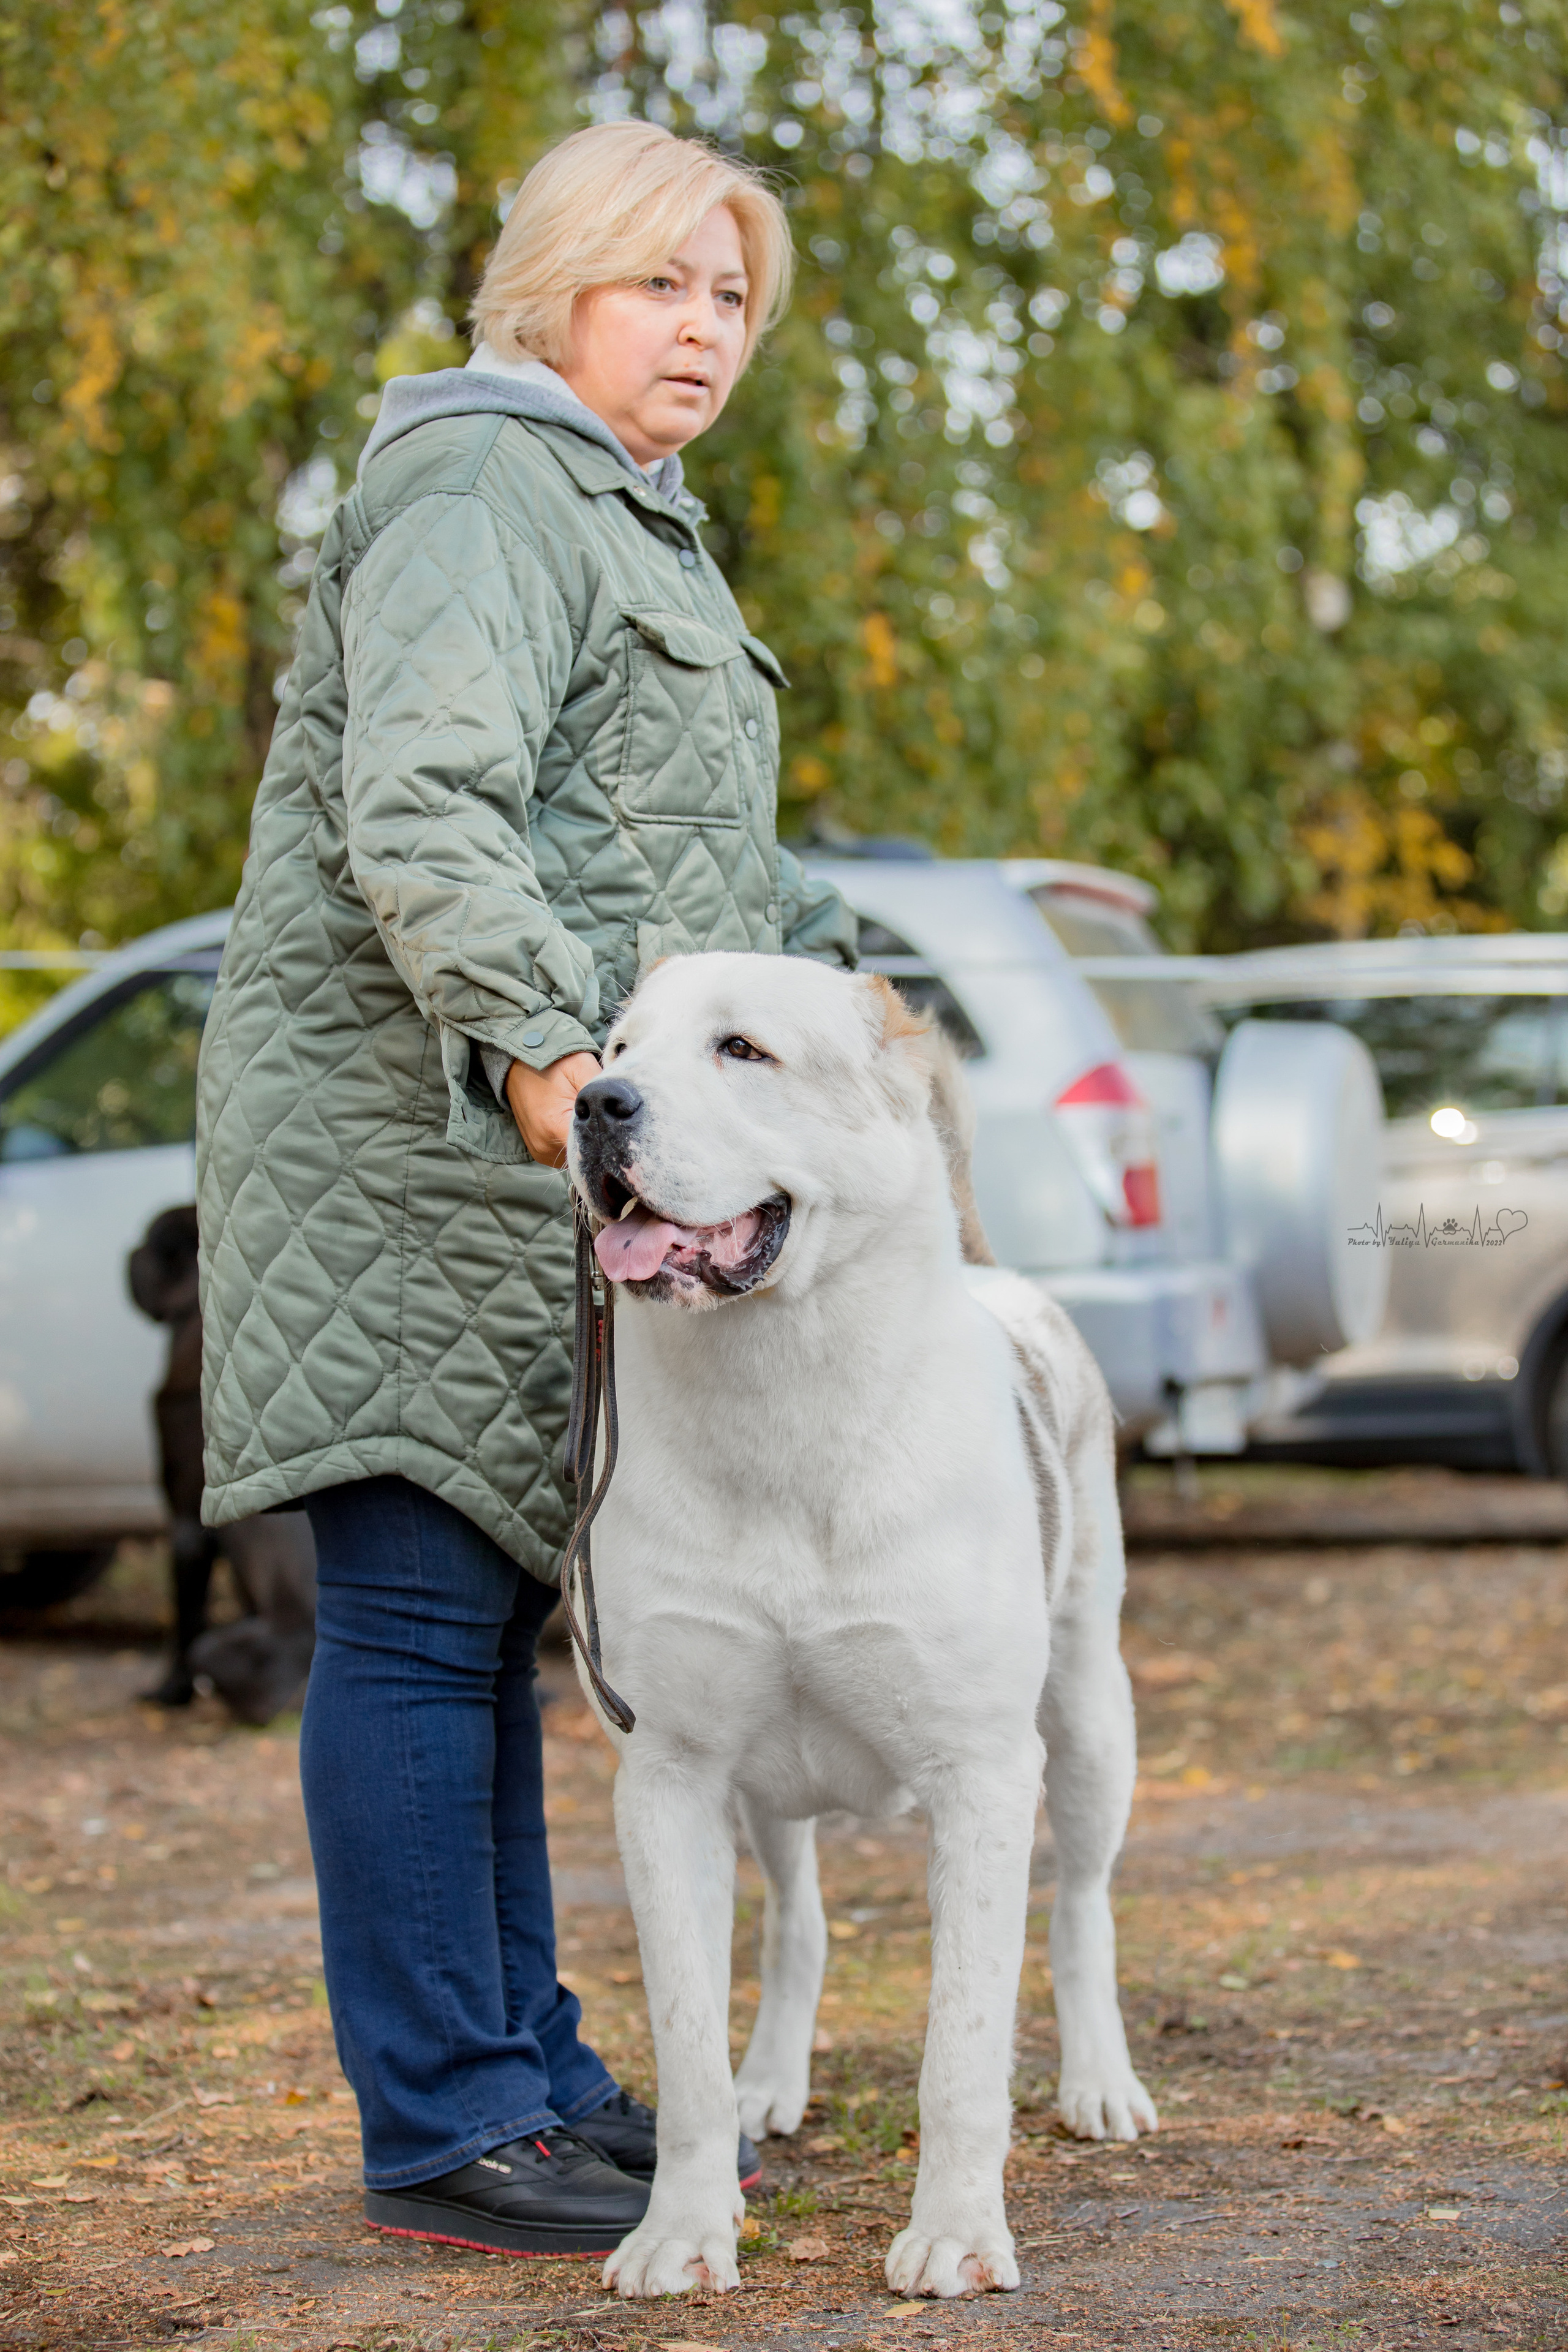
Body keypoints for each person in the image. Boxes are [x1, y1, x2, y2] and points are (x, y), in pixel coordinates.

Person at [195, 120, 856, 2258]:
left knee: (485, 1618)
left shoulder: (624, 517)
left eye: (732, 296)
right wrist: (551, 1066)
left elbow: (694, 867)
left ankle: (533, 2074)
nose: (705, 328)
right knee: (412, 1615)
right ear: (552, 285)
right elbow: (425, 806)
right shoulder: (486, 478)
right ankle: (449, 2123)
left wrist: (857, 1011)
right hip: (420, 1138)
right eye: (661, 282)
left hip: (544, 1151)